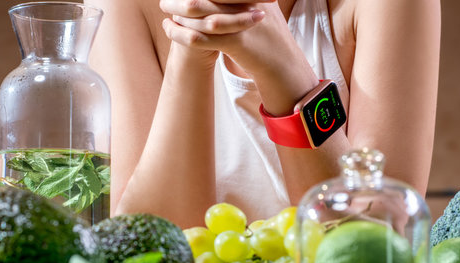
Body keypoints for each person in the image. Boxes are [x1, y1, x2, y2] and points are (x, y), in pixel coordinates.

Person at [85, 0, 441, 228]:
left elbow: (386, 239)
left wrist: (287, 73)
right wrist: (190, 51)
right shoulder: (122, 6)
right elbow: (145, 252)